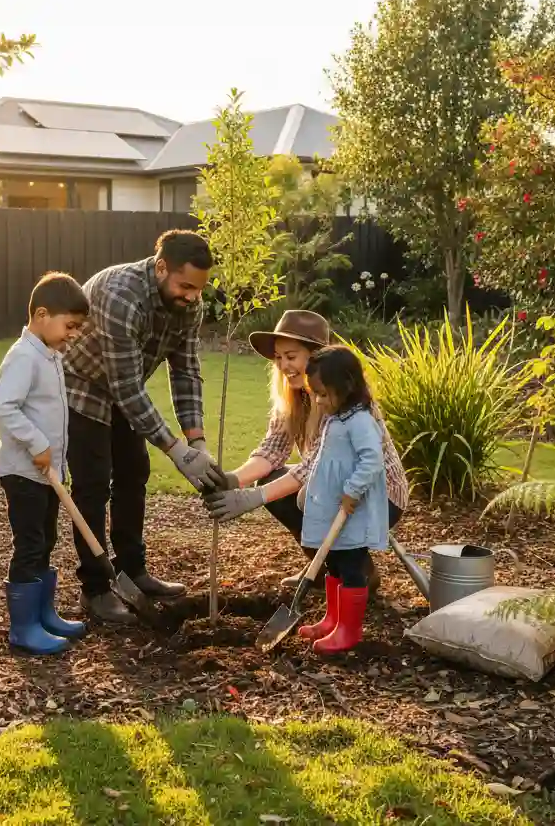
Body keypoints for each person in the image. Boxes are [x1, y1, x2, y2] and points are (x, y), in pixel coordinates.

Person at [62, 230, 227, 624]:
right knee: (93, 483)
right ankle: (96, 589)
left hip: (123, 383)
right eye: (184, 285)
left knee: (134, 472)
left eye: (198, 289)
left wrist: (197, 442)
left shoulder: (190, 304)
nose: (191, 296)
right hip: (79, 383)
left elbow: (185, 370)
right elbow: (125, 387)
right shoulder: (121, 295)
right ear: (160, 268)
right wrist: (175, 450)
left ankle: (132, 570)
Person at [202, 309, 408, 591]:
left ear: (315, 357)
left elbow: (313, 467)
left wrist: (252, 498)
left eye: (291, 356)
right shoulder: (294, 398)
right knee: (279, 482)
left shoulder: (340, 400)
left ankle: (356, 575)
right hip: (334, 486)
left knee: (307, 495)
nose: (284, 365)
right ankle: (322, 568)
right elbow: (272, 451)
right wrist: (233, 480)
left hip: (377, 494)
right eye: (278, 358)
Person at [0, 272, 90, 656]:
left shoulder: (48, 355)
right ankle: (24, 628)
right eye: (70, 326)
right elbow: (3, 407)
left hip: (45, 474)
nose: (74, 335)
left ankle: (44, 613)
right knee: (30, 545)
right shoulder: (23, 357)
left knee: (46, 539)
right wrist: (36, 442)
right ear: (43, 315)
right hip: (23, 472)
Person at [296, 345, 388, 654]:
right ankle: (332, 619)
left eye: (323, 394)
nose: (319, 401)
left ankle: (349, 630)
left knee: (350, 569)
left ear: (346, 386)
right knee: (333, 565)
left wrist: (352, 489)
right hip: (333, 509)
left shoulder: (360, 421)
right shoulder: (337, 418)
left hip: (351, 512)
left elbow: (372, 460)